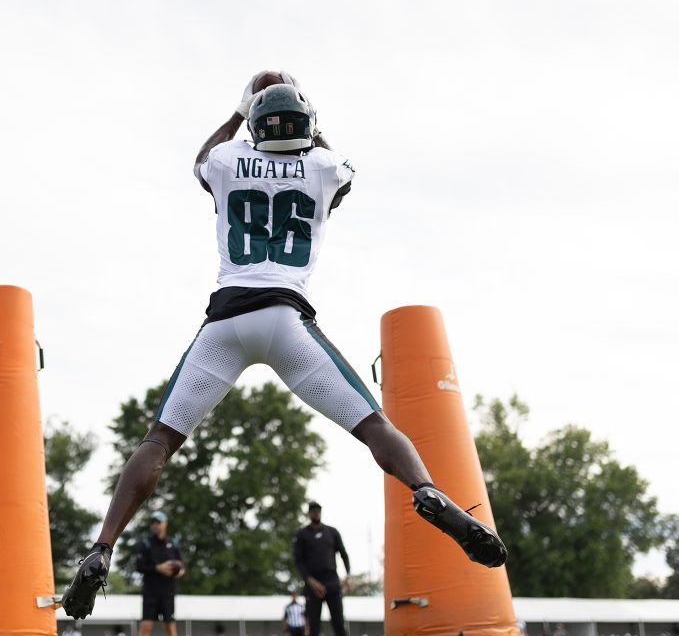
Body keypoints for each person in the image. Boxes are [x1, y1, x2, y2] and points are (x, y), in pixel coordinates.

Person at [61, 71, 507, 619]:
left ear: (252, 126)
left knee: (158, 440)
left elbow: (204, 159)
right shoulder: (321, 167)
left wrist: (239, 109)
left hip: (224, 321)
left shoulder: (228, 160)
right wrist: (308, 120)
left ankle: (101, 546)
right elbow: (338, 171)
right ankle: (429, 491)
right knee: (376, 428)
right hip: (285, 318)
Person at [293, 502, 351, 636]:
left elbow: (344, 555)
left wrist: (348, 575)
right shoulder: (301, 535)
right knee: (313, 626)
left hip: (331, 581)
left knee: (339, 623)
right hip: (312, 583)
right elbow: (298, 562)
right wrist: (310, 581)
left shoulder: (332, 532)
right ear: (309, 514)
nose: (316, 513)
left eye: (318, 510)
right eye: (313, 511)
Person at [135, 511, 185, 636]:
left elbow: (182, 565)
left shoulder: (173, 544)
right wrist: (158, 568)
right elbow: (139, 566)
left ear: (165, 523)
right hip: (150, 592)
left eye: (159, 522)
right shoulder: (146, 544)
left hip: (168, 592)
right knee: (145, 626)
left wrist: (180, 571)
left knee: (170, 626)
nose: (156, 525)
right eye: (153, 522)